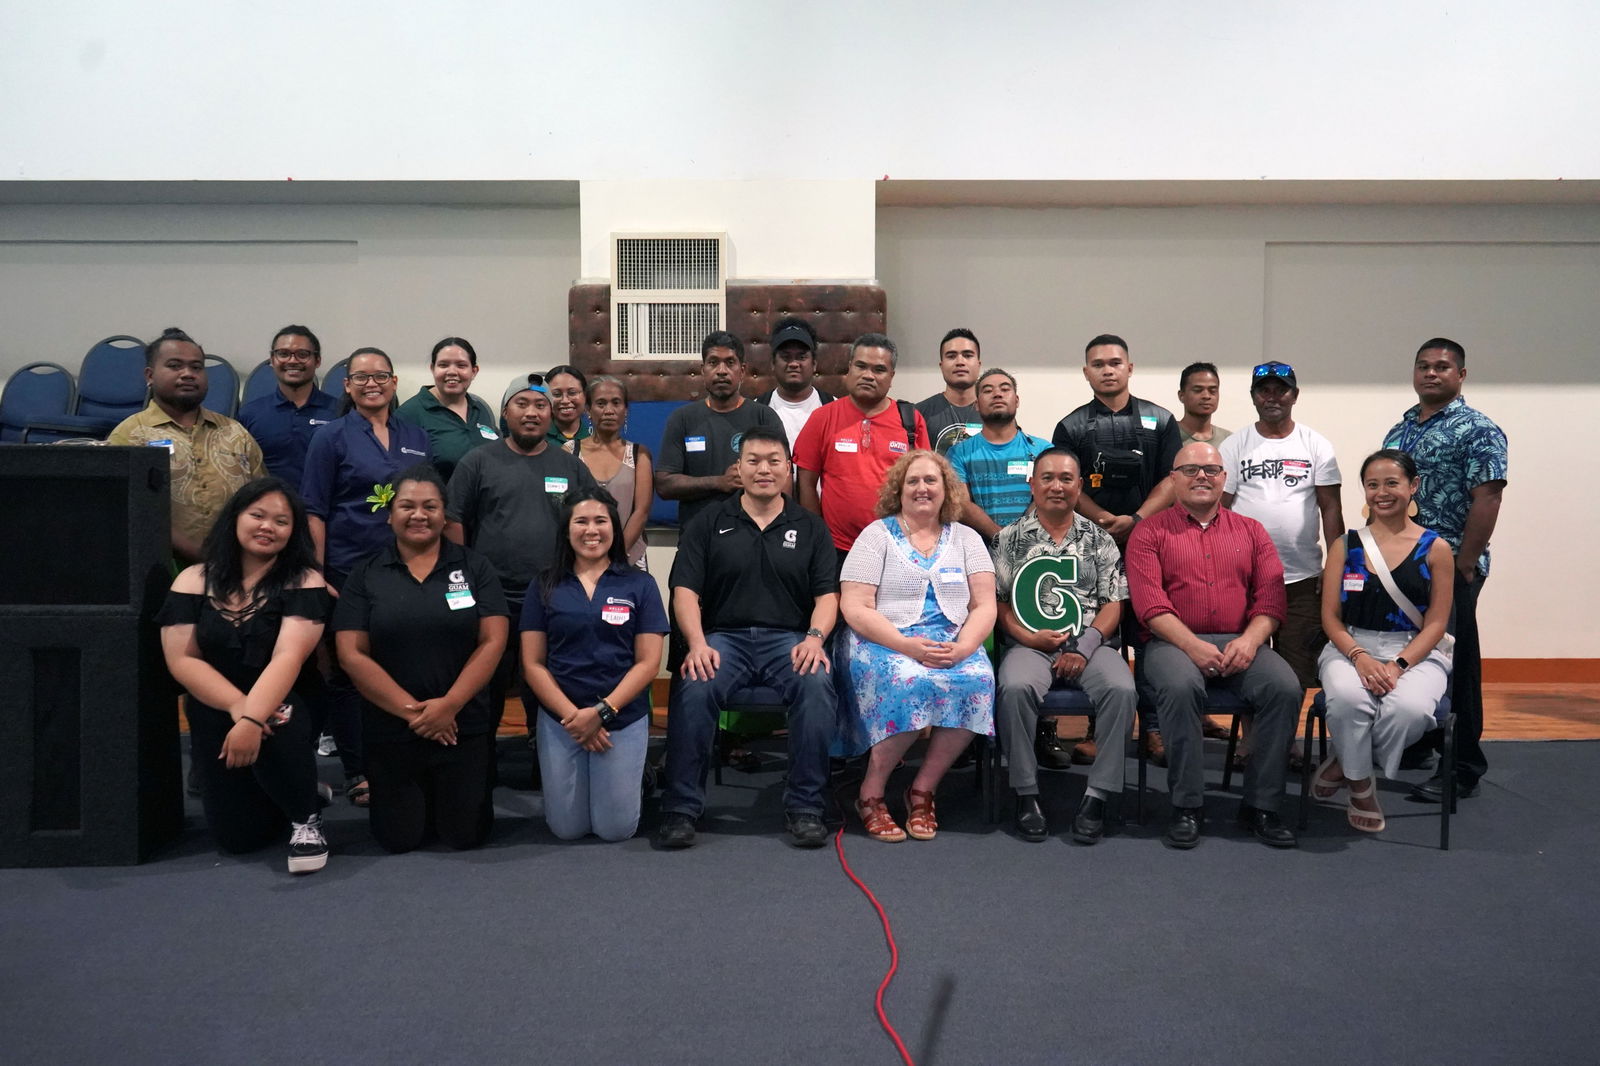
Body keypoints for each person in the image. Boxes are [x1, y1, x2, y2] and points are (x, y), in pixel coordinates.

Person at [656, 427, 840, 849]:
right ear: (738, 468)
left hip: (790, 640)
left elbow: (827, 595)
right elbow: (685, 591)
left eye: (774, 461)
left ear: (788, 468)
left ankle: (806, 807)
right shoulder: (709, 522)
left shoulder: (811, 527)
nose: (764, 470)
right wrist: (697, 644)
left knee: (816, 685)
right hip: (724, 640)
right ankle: (680, 809)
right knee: (695, 685)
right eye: (753, 460)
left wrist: (814, 638)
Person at [1125, 442, 1300, 850]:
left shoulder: (1252, 531)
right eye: (1189, 469)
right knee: (1181, 687)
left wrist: (1252, 640)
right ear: (1172, 480)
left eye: (1210, 469)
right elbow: (1150, 605)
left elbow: (1271, 599)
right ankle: (1187, 805)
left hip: (1242, 640)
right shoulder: (1148, 533)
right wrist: (1192, 646)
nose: (1201, 475)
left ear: (1225, 478)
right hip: (1171, 642)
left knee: (1285, 688)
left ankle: (1261, 805)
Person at [155, 477, 330, 874]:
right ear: (235, 518)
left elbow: (288, 656)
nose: (268, 527)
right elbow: (182, 661)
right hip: (215, 704)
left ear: (293, 531)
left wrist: (252, 717)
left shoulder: (304, 579)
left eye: (281, 521)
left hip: (286, 698)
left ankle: (306, 818)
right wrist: (238, 707)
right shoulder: (193, 579)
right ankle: (288, 786)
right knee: (239, 840)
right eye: (258, 515)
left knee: (279, 717)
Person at [334, 465, 509, 852]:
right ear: (390, 513)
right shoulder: (365, 574)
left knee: (466, 836)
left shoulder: (475, 567)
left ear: (444, 514)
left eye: (430, 506)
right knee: (398, 839)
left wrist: (450, 705)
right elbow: (351, 654)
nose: (419, 515)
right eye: (407, 506)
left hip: (462, 724)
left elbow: (493, 642)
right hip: (393, 727)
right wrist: (417, 714)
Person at [839, 450, 996, 842]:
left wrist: (964, 648)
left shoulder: (967, 538)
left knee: (976, 679)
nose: (922, 488)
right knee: (911, 683)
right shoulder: (876, 535)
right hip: (883, 640)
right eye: (913, 481)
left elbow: (985, 604)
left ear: (947, 491)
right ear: (899, 489)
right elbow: (854, 607)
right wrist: (906, 646)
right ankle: (871, 793)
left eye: (931, 481)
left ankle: (922, 789)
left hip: (951, 642)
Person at [446, 374, 597, 778]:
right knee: (488, 682)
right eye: (522, 405)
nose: (532, 413)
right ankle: (480, 759)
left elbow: (586, 524)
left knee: (545, 681)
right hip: (492, 597)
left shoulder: (568, 465)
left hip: (552, 594)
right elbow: (454, 519)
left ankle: (544, 757)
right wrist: (464, 578)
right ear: (505, 413)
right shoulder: (477, 461)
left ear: (551, 414)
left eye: (540, 406)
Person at [300, 346, 432, 804]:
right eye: (361, 377)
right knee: (348, 674)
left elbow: (426, 506)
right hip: (347, 571)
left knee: (403, 665)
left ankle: (404, 760)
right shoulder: (331, 437)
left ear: (395, 383)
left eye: (381, 376)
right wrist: (316, 573)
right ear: (347, 386)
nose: (371, 383)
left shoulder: (416, 435)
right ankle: (358, 771)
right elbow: (314, 509)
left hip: (408, 570)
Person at [1383, 338, 1507, 803]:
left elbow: (1488, 497)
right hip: (1401, 567)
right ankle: (1420, 743)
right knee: (1412, 653)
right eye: (1423, 366)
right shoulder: (1402, 429)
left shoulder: (1478, 430)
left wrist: (1466, 562)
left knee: (1457, 662)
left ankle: (1464, 767)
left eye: (1441, 367)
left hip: (1451, 566)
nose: (1431, 374)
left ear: (1461, 375)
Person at [1050, 333, 1181, 768]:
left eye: (1115, 362)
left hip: (1150, 542)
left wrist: (1139, 519)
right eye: (1098, 363)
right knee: (1098, 635)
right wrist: (1106, 521)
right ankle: (1094, 729)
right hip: (1091, 545)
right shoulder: (1070, 427)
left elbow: (1171, 480)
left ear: (1130, 367)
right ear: (1086, 371)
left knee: (1149, 635)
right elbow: (1066, 484)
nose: (1107, 369)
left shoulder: (1161, 420)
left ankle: (1155, 730)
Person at [993, 448, 1135, 844]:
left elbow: (1113, 603)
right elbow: (999, 603)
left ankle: (1097, 795)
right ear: (1032, 483)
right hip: (1029, 644)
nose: (1057, 486)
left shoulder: (1100, 539)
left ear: (1079, 485)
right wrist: (1026, 637)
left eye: (1067, 479)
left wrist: (1084, 646)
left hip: (1089, 644)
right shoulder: (1008, 539)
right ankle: (1026, 793)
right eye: (1048, 478)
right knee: (1016, 688)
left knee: (1123, 690)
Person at [1312, 450, 1454, 833]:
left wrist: (1398, 666)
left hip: (1416, 651)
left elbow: (1437, 622)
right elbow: (1329, 618)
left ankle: (1345, 761)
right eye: (1372, 485)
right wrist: (1359, 656)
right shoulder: (1346, 545)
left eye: (1392, 483)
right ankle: (1361, 788)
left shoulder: (1436, 548)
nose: (1382, 492)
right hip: (1350, 646)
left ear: (1413, 487)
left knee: (1407, 710)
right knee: (1348, 700)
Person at [521, 487, 667, 841]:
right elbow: (533, 664)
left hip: (620, 717)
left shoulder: (640, 585)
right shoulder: (544, 585)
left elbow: (648, 664)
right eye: (581, 521)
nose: (591, 530)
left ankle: (642, 776)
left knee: (614, 829)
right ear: (566, 529)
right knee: (566, 829)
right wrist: (575, 717)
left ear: (614, 529)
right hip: (562, 719)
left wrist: (601, 712)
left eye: (601, 521)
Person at [1220, 361, 1342, 765]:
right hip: (1245, 579)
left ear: (1295, 394)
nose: (1272, 397)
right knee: (1247, 664)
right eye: (1264, 391)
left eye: (1281, 390)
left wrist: (1336, 567)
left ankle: (1284, 742)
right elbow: (1219, 510)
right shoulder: (1235, 446)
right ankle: (1251, 741)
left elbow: (1330, 508)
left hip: (1302, 578)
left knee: (1294, 668)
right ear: (1254, 396)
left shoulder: (1315, 445)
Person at [109, 327, 266, 564]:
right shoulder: (130, 435)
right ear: (150, 376)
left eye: (196, 367)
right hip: (159, 570)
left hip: (236, 566)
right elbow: (124, 510)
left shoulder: (235, 432)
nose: (188, 374)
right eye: (174, 366)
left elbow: (263, 498)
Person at [795, 333, 932, 563]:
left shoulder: (910, 419)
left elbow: (924, 485)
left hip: (898, 547)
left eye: (879, 370)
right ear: (849, 368)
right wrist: (818, 536)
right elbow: (806, 483)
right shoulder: (822, 417)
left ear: (891, 376)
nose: (868, 375)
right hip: (836, 548)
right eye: (861, 366)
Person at [655, 331, 786, 532]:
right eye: (713, 362)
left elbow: (783, 479)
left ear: (742, 370)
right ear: (702, 370)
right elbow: (664, 484)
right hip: (697, 539)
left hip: (754, 536)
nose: (721, 371)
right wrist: (719, 482)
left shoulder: (764, 417)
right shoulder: (682, 419)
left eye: (730, 363)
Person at [947, 367, 1052, 541]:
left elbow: (1049, 497)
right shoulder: (959, 453)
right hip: (980, 552)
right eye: (988, 390)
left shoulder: (1043, 450)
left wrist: (1020, 535)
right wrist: (1001, 537)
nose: (997, 394)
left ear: (1016, 400)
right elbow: (961, 504)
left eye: (1005, 389)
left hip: (1035, 548)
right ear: (977, 405)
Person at [237, 325, 340, 490]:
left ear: (317, 361)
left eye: (302, 354)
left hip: (325, 512)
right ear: (272, 360)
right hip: (270, 510)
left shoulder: (340, 412)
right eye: (283, 354)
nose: (292, 361)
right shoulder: (249, 414)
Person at [567, 375, 653, 570]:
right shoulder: (570, 451)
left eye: (616, 403)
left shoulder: (639, 454)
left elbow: (641, 511)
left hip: (628, 558)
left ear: (626, 409)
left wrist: (616, 557)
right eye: (600, 403)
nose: (609, 411)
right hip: (581, 558)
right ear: (588, 410)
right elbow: (565, 509)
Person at [396, 336, 499, 481]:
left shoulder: (480, 409)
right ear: (432, 369)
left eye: (461, 365)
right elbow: (404, 477)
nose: (452, 371)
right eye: (443, 365)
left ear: (474, 371)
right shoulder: (410, 414)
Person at [755, 316, 834, 447]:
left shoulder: (833, 408)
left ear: (814, 364)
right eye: (786, 357)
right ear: (773, 364)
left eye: (801, 357)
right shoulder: (756, 410)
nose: (793, 364)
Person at [915, 327, 983, 455]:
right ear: (941, 366)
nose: (960, 362)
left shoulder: (994, 413)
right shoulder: (919, 414)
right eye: (951, 356)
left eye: (967, 355)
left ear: (978, 364)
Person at [1176, 362, 1231, 447]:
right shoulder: (1168, 436)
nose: (1206, 396)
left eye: (1212, 391)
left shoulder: (1228, 440)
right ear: (1181, 396)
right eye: (1198, 390)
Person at [544, 364, 591, 446]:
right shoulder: (537, 435)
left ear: (585, 395)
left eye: (572, 393)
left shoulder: (595, 435)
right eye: (556, 394)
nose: (565, 400)